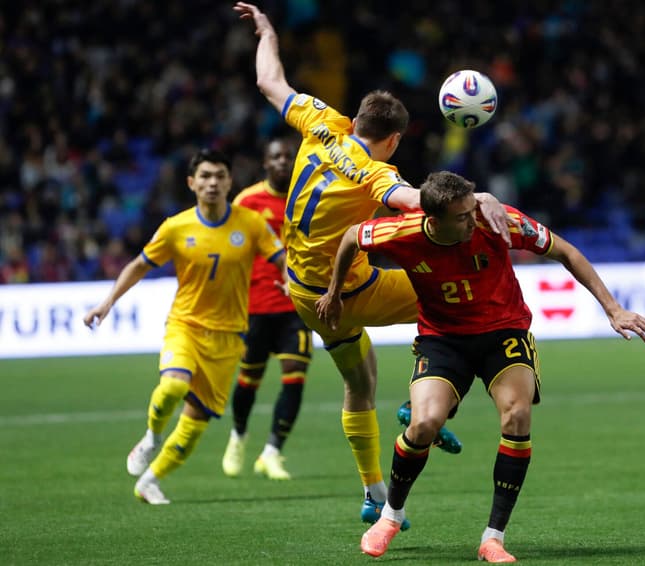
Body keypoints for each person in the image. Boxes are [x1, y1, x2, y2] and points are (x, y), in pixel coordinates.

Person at [234, 2, 516, 526]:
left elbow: (268, 79)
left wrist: (267, 30)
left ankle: (373, 491)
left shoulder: (319, 122)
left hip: (307, 291)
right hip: (348, 290)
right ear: (392, 140)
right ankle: (423, 404)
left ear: (356, 118)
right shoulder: (374, 171)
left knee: (359, 384)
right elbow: (418, 202)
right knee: (453, 302)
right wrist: (477, 199)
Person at [316, 171, 645, 562]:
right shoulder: (401, 233)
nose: (472, 218)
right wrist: (334, 292)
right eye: (462, 216)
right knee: (424, 423)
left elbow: (566, 251)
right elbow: (350, 237)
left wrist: (613, 310)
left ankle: (493, 537)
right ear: (434, 219)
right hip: (443, 339)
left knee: (517, 415)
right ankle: (390, 516)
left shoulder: (497, 221)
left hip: (504, 333)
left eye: (472, 209)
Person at [83, 149, 286, 504]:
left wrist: (289, 279)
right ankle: (150, 437)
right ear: (191, 183)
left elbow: (282, 258)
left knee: (195, 425)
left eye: (219, 176)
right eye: (205, 176)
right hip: (186, 325)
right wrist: (106, 303)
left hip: (229, 336)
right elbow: (139, 265)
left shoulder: (251, 224)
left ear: (229, 182)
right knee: (174, 385)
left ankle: (150, 480)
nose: (212, 183)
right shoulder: (176, 227)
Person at [221, 137, 312, 481]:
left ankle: (272, 451)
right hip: (256, 306)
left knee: (295, 376)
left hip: (297, 305)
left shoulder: (307, 199)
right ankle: (238, 436)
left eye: (289, 156)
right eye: (276, 156)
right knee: (249, 380)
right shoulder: (248, 202)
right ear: (265, 163)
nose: (283, 161)